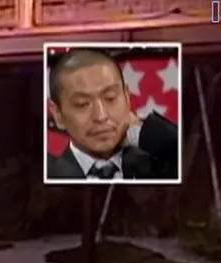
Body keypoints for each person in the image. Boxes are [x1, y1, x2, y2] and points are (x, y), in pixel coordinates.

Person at [45, 48, 179, 181]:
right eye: (82, 104)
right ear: (58, 113)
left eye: (110, 98)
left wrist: (142, 131)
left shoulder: (159, 168)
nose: (101, 116)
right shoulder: (46, 179)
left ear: (127, 98)